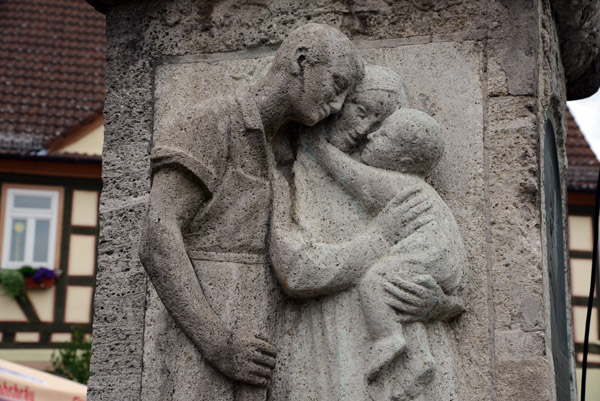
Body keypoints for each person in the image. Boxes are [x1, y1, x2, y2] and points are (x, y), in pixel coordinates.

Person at [138, 23, 364, 401]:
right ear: (302, 61)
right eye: (336, 85)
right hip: (209, 336)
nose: (337, 105)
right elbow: (158, 238)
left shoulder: (295, 152)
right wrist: (218, 343)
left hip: (272, 336)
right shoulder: (209, 123)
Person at [269, 67, 465, 400]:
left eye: (379, 124)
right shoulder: (287, 174)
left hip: (403, 348)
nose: (364, 131)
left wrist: (440, 305)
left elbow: (439, 258)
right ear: (335, 103)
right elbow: (297, 272)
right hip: (330, 340)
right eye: (360, 112)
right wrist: (380, 238)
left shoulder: (399, 184)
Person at [309, 107, 466, 388]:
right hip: (440, 259)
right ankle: (419, 358)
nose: (369, 135)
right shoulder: (420, 190)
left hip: (429, 253)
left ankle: (388, 338)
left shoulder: (401, 185)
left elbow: (356, 178)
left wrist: (319, 149)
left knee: (375, 280)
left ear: (402, 159)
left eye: (381, 135)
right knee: (399, 297)